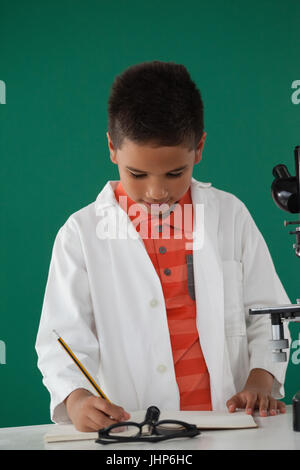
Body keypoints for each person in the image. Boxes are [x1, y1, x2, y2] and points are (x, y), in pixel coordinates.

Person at [35, 61, 291, 432]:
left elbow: (268, 314)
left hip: (229, 425)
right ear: (112, 147)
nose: (158, 192)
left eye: (175, 173)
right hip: (135, 431)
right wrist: (76, 398)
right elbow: (61, 339)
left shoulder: (229, 215)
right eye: (137, 174)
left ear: (199, 147)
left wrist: (261, 380)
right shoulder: (81, 233)